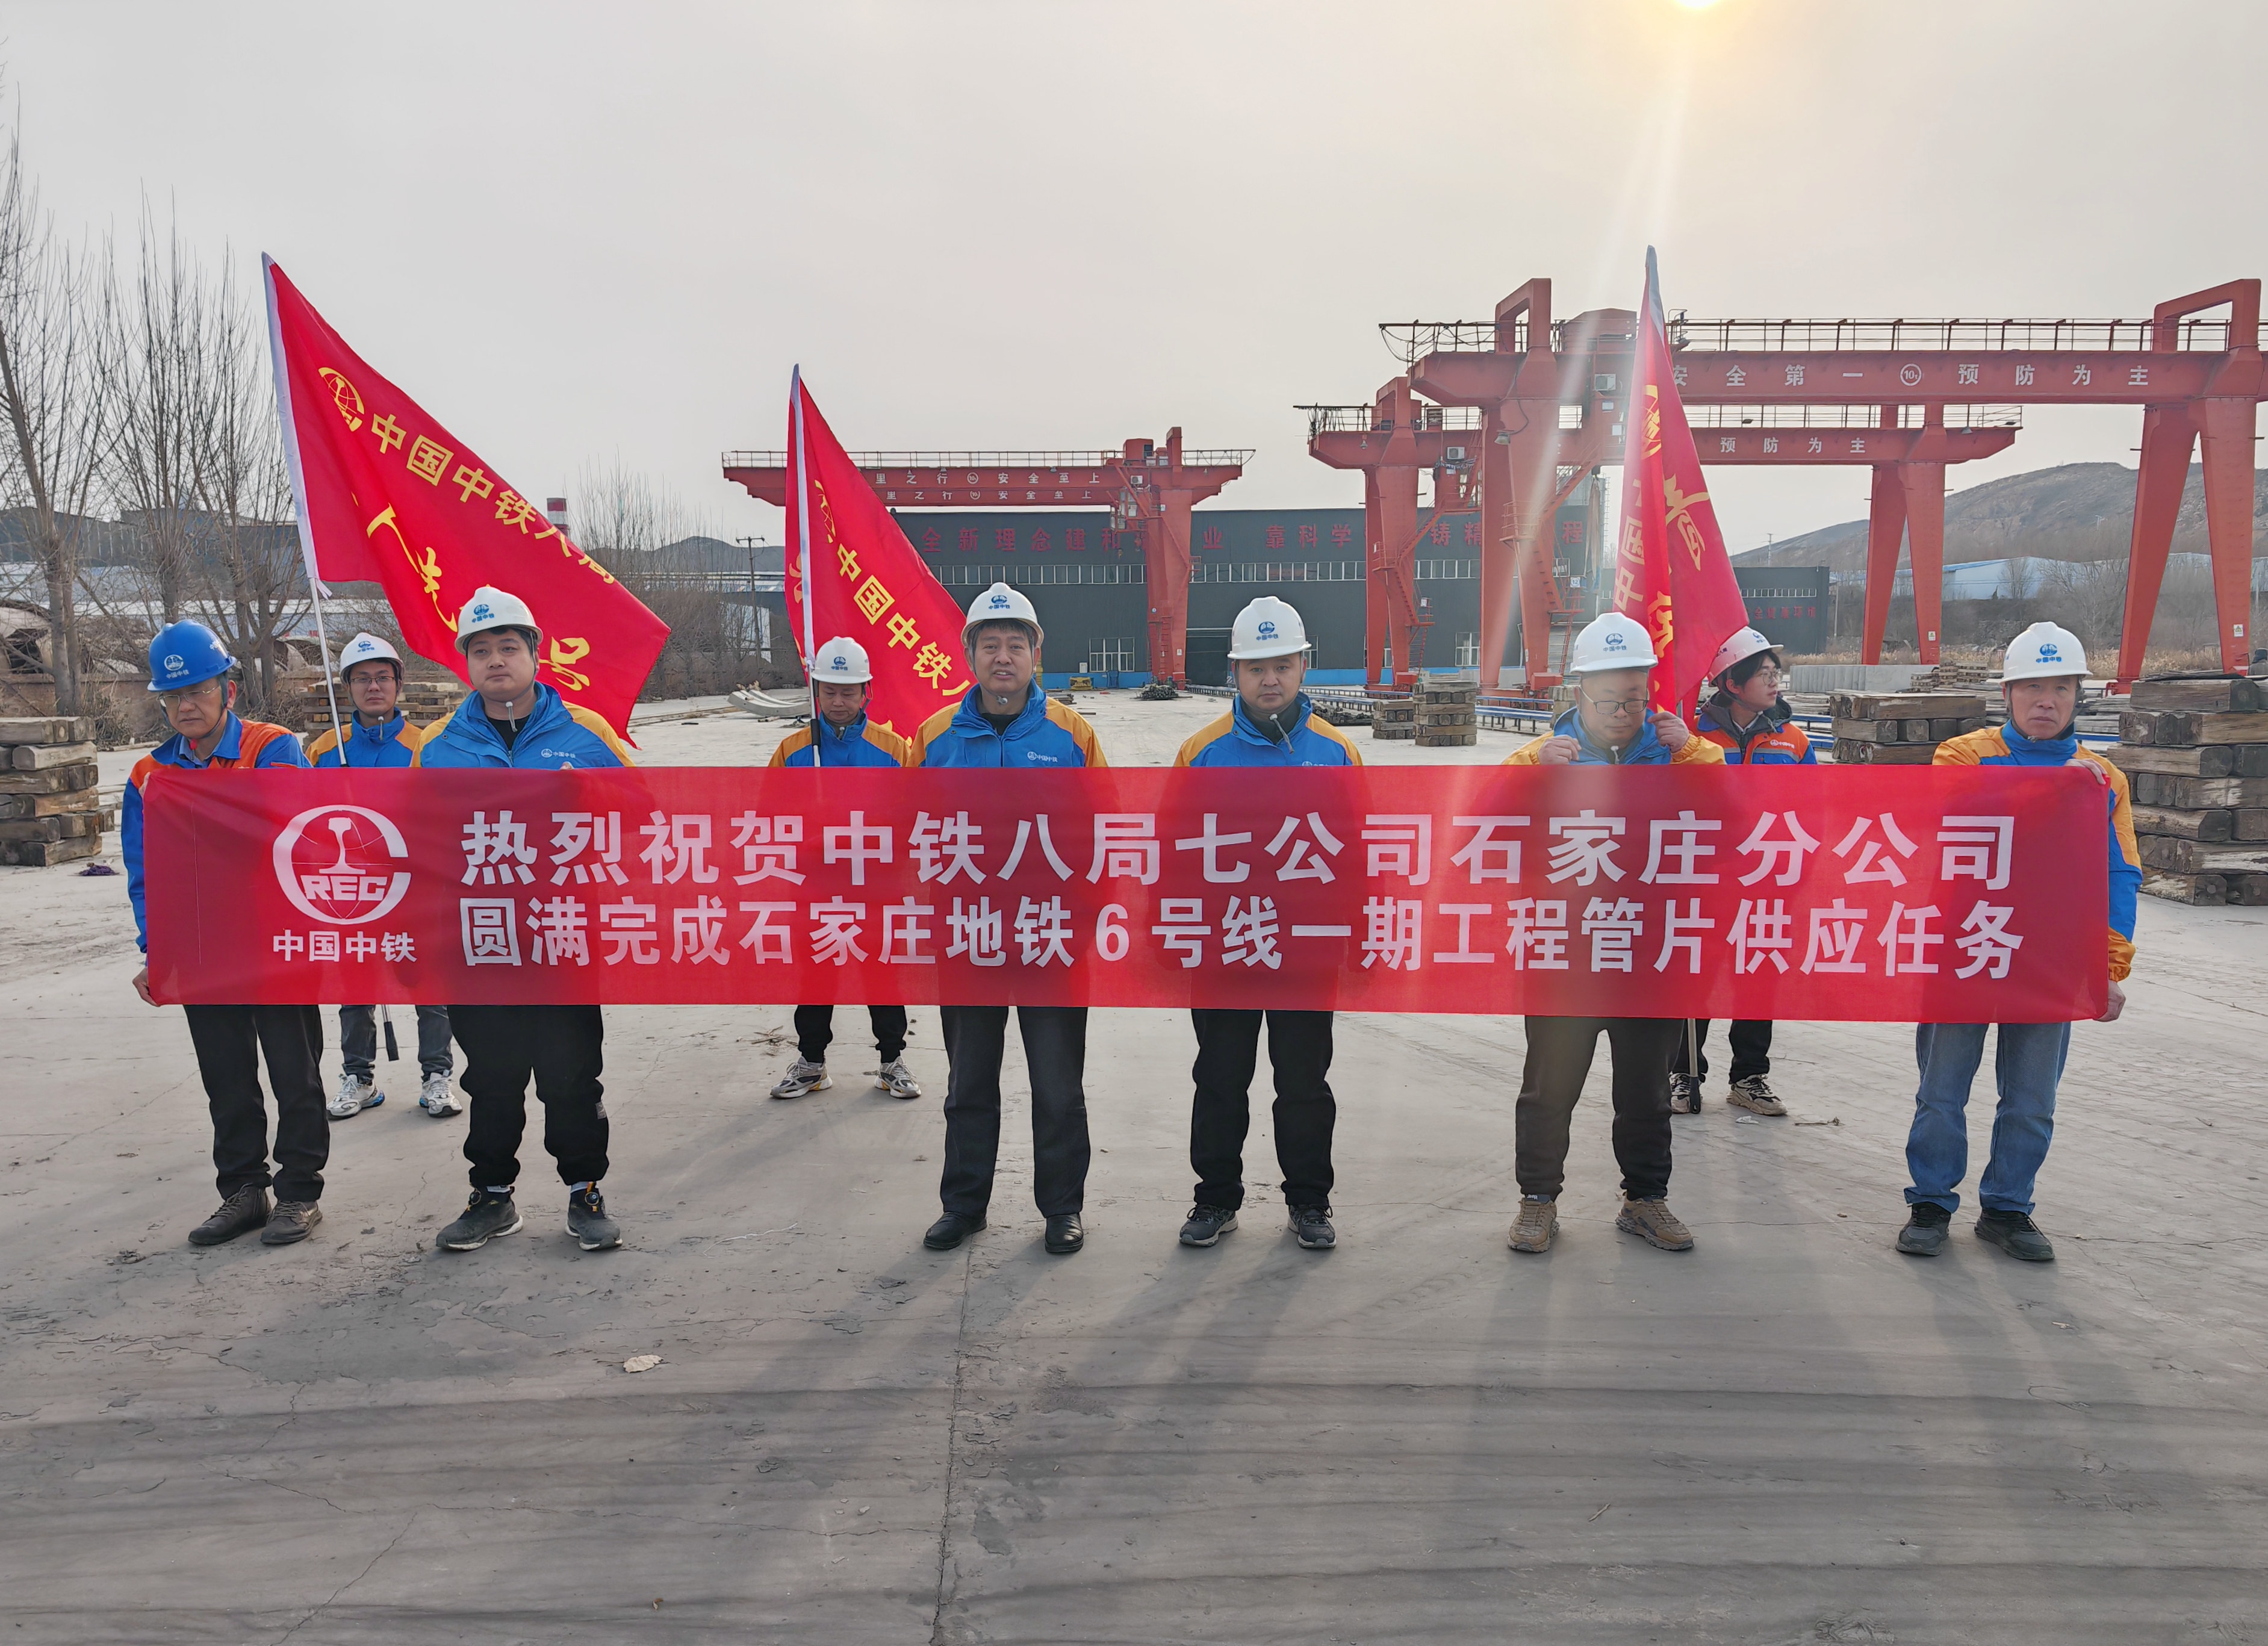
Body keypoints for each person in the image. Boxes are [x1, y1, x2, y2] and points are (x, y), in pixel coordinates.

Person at [1895, 620, 2138, 1263]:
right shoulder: (1962, 757)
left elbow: (2119, 874)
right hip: (1967, 947)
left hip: (2051, 961)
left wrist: (2108, 966)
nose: (2045, 701)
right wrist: (2058, 792)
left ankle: (2007, 1208)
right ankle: (1929, 1202)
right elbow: (1954, 827)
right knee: (1941, 1090)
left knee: (2031, 1100)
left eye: (2060, 688)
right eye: (2031, 687)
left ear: (2077, 697)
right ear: (2006, 693)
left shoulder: (2103, 779)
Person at [414, 586, 636, 1255]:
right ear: (465, 663)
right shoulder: (438, 745)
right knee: (491, 1077)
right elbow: (412, 842)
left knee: (571, 1075)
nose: (496, 660)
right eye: (481, 650)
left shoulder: (586, 734)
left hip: (563, 937)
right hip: (479, 943)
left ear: (536, 654)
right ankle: (492, 1196)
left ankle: (584, 1191)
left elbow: (644, 819)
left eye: (508, 647)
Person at [1500, 611, 1724, 1256]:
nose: (1624, 713)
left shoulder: (1680, 754)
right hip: (1565, 956)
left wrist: (1692, 753)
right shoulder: (1541, 757)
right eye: (1608, 701)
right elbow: (1481, 825)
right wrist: (1535, 770)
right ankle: (1537, 1201)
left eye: (1634, 698)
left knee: (1646, 1093)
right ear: (1579, 694)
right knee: (1548, 1089)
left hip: (1648, 954)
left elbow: (1741, 817)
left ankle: (1644, 1199)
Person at [911, 582, 1106, 1257]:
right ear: (968, 654)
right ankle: (963, 1205)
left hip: (1049, 938)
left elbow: (1105, 834)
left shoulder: (1072, 735)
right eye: (989, 645)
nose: (1003, 657)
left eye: (1015, 645)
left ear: (1035, 654)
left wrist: (1086, 922)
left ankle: (1062, 1208)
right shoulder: (934, 738)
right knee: (968, 1083)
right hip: (967, 939)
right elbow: (904, 833)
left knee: (1057, 1085)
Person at [123, 621, 326, 1248]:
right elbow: (145, 871)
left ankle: (299, 1191)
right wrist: (157, 950)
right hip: (202, 948)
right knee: (227, 1077)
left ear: (227, 691)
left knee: (294, 1072)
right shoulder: (148, 774)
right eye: (173, 696)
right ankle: (244, 1190)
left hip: (274, 942)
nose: (186, 705)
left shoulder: (273, 748)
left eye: (198, 691)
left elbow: (286, 838)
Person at [1171, 595, 1361, 1252]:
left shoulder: (1335, 753)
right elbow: (1171, 853)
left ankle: (1308, 1200)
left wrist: (1360, 936)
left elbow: (1361, 853)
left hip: (1305, 951)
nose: (1269, 679)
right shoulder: (1201, 753)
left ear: (1304, 665)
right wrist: (1172, 934)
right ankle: (1215, 1198)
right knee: (1219, 1079)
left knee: (1302, 1083)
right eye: (1256, 667)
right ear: (1234, 673)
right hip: (1226, 947)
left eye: (1281, 665)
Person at [306, 632, 460, 1120]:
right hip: (353, 889)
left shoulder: (427, 745)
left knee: (428, 985)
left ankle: (437, 1075)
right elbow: (304, 820)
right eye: (362, 679)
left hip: (417, 887)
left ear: (398, 683)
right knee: (355, 986)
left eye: (382, 678)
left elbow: (445, 815)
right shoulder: (326, 750)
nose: (373, 687)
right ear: (347, 687)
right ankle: (359, 1077)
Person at [765, 635, 922, 1102]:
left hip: (876, 887)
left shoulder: (894, 749)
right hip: (815, 888)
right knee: (815, 977)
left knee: (882, 974)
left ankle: (892, 1061)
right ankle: (811, 1063)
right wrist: (804, 831)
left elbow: (915, 814)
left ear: (865, 692)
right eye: (829, 691)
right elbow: (766, 816)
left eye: (847, 691)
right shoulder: (795, 750)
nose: (837, 701)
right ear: (816, 691)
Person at [1669, 626, 1817, 1119]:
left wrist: (1800, 871)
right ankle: (1684, 1072)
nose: (1775, 682)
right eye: (1764, 674)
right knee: (1695, 976)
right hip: (1705, 882)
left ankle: (1749, 1077)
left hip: (1766, 883)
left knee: (1758, 976)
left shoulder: (1792, 741)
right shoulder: (1691, 738)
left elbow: (1813, 811)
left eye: (1776, 673)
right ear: (1731, 683)